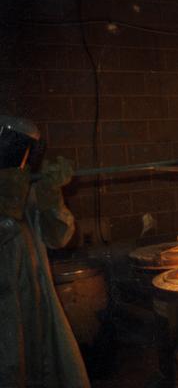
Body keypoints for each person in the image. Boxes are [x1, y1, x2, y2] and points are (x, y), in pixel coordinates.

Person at [0, 116, 90, 387]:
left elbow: (58, 237)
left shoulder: (22, 187)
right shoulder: (12, 190)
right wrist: (6, 209)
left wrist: (52, 198)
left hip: (37, 308)